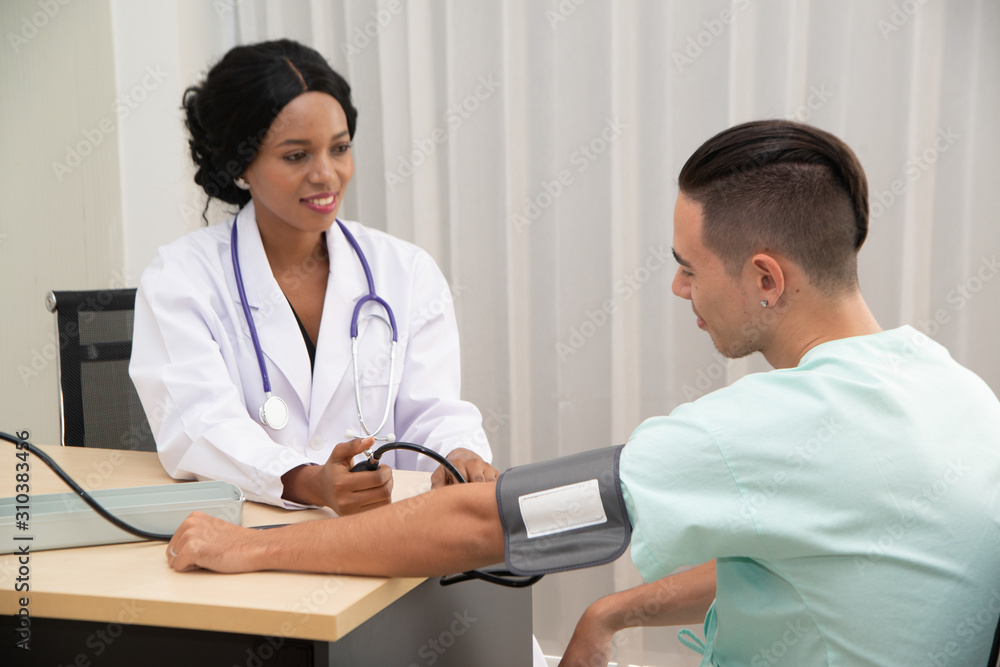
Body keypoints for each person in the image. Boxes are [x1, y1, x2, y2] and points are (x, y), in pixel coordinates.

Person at [163, 119, 1000, 665]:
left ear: (766, 277)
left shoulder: (771, 424)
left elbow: (483, 521)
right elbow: (827, 544)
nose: (678, 289)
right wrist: (612, 614)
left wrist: (250, 548)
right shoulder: (953, 390)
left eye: (687, 266)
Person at [129, 39, 496, 515]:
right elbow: (199, 426)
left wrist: (459, 454)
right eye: (296, 155)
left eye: (339, 148)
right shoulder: (181, 279)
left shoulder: (404, 272)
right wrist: (304, 481)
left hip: (389, 537)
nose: (327, 175)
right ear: (240, 166)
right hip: (250, 535)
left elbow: (434, 411)